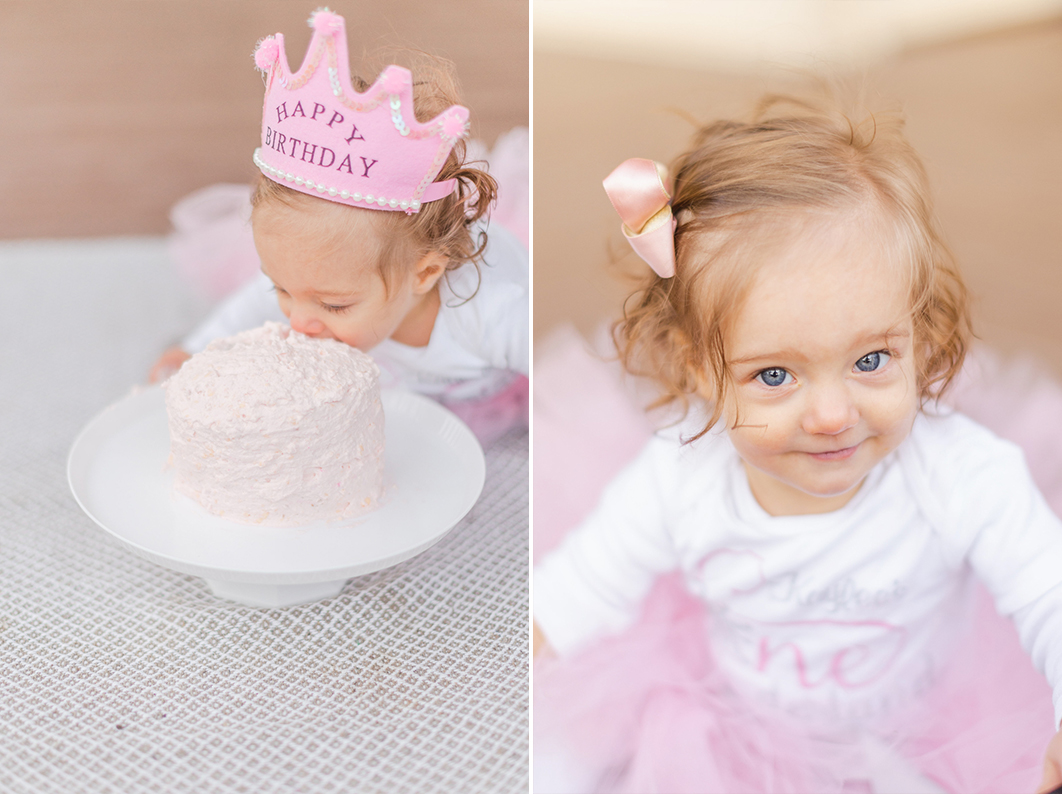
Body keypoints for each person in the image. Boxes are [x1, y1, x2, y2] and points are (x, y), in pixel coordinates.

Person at [533, 93, 1062, 793]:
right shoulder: (680, 478)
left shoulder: (960, 473)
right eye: (775, 375)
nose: (832, 414)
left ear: (921, 335)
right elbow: (577, 590)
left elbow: (1047, 589)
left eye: (871, 360)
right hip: (739, 725)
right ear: (700, 369)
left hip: (921, 721)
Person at [149, 9, 528, 444]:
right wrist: (196, 347)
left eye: (334, 306)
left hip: (483, 388)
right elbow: (251, 302)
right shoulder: (320, 274)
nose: (300, 323)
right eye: (284, 291)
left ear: (424, 274)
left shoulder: (493, 313)